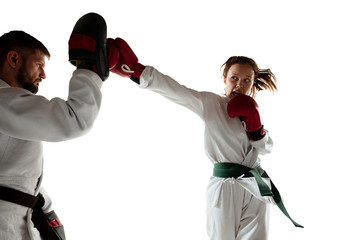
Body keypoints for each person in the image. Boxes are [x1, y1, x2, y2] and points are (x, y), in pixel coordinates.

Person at [107, 38, 303, 239]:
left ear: (252, 84)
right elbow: (177, 91)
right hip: (225, 188)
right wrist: (137, 70)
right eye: (234, 78)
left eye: (246, 80)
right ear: (224, 79)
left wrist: (256, 129)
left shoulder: (252, 110)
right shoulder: (211, 104)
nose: (240, 84)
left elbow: (266, 148)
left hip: (255, 187)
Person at [0, 12, 110, 240]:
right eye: (38, 64)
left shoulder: (9, 105)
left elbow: (17, 176)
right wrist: (87, 66)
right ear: (13, 59)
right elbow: (74, 119)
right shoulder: (3, 102)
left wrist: (47, 213)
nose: (43, 74)